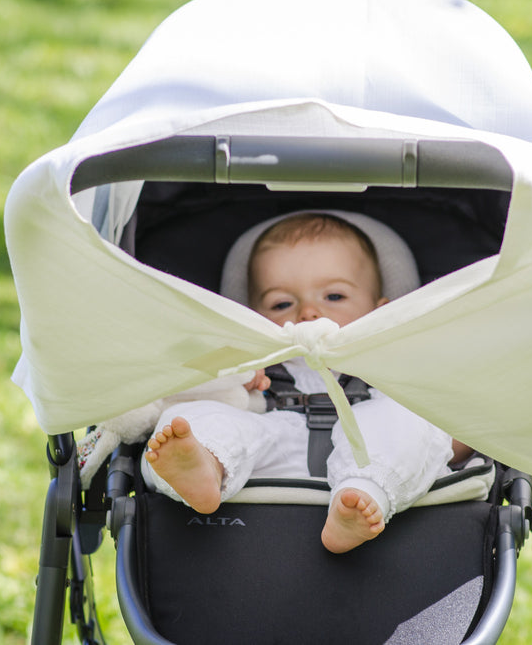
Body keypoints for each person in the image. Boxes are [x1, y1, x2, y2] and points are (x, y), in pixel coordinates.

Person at [143, 213, 461, 553]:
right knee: (187, 416)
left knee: (411, 420)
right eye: (282, 304)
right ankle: (205, 463)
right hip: (268, 445)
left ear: (379, 311)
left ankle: (364, 495)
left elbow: (451, 423)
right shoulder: (251, 362)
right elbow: (181, 383)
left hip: (369, 454)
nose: (308, 312)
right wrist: (232, 372)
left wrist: (450, 432)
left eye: (334, 297)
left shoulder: (391, 359)